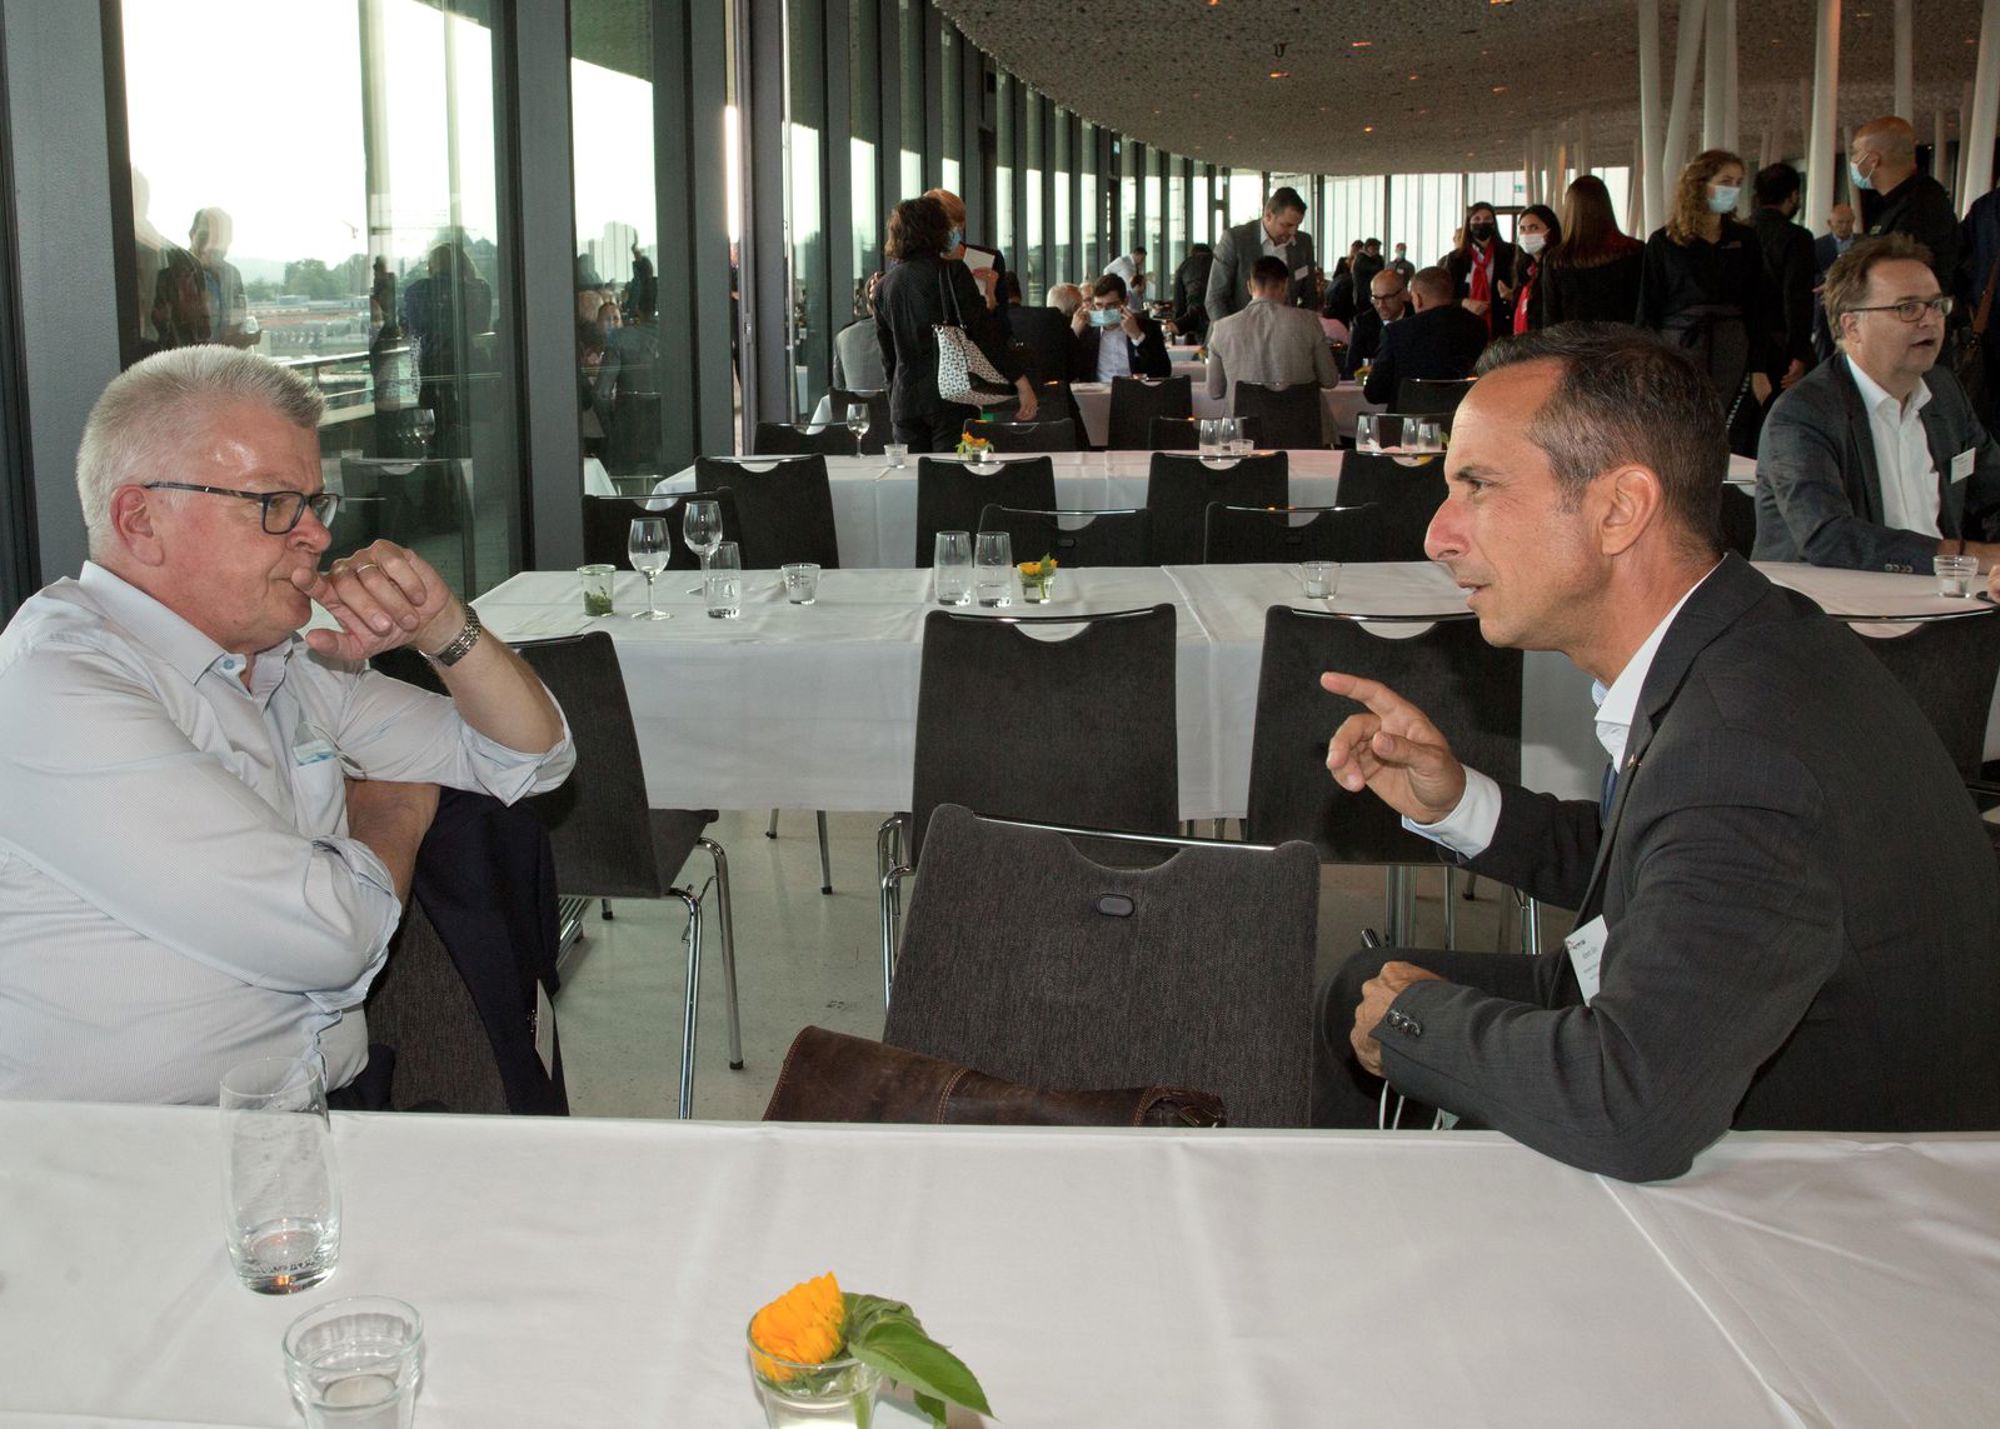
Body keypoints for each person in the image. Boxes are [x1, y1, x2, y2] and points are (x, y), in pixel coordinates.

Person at [1313, 323, 2000, 1181]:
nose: (1438, 535)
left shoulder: (1742, 749)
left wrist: (1418, 1024)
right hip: (1752, 1060)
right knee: (1360, 984)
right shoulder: (1743, 635)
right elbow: (1663, 852)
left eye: (1478, 486)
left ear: (1619, 510)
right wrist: (1457, 803)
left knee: (1382, 1001)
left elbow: (1632, 1105)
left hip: (1833, 1178)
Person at [0, 347, 575, 1105]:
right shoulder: (57, 685)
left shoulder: (285, 659)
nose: (316, 536)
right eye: (274, 504)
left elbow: (534, 757)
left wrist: (442, 628)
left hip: (313, 1113)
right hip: (137, 1154)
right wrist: (392, 810)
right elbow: (329, 938)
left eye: (314, 503)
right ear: (140, 520)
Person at [1755, 235, 2000, 571]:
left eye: (1936, 305)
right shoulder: (1802, 413)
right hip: (1830, 599)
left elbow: (1993, 489)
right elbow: (1830, 538)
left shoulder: (1945, 393)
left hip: (1938, 595)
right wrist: (1965, 558)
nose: (1930, 320)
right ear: (1852, 326)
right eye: (1907, 308)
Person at [875, 197, 1036, 452]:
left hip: (905, 402)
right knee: (950, 471)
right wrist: (1020, 381)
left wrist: (895, 399)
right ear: (937, 229)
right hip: (951, 396)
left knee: (912, 474)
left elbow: (888, 356)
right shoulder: (952, 272)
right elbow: (983, 333)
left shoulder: (884, 286)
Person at [1636, 149, 1776, 442]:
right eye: (1725, 181)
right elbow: (1649, 307)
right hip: (1680, 344)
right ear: (1700, 184)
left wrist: (1759, 367)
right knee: (1680, 425)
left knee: (1727, 426)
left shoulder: (1745, 239)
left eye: (1738, 183)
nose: (1732, 189)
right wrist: (1644, 363)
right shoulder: (1664, 241)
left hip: (1732, 346)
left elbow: (1759, 305)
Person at [1203, 255, 1339, 409]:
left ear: (1249, 286)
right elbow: (1330, 380)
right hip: (1302, 421)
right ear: (1285, 286)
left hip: (1245, 422)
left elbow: (1214, 391)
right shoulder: (1309, 322)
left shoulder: (1222, 328)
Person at [1851, 116, 1959, 295]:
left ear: (1873, 160)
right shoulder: (1891, 203)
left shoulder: (1922, 205)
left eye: (1855, 153)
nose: (1853, 161)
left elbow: (1899, 271)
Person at [1361, 267, 1488, 407]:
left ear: (1418, 298)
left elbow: (1374, 392)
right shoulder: (1478, 326)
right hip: (1464, 414)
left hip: (1409, 417)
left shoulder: (1396, 332)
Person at [1748, 163, 1818, 396]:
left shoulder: (1738, 231)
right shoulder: (1796, 238)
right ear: (1793, 196)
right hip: (1778, 345)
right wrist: (1800, 352)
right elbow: (1796, 297)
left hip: (1738, 342)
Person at [1542, 175, 1645, 327]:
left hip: (1572, 340)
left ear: (1570, 210)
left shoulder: (1556, 260)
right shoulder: (1634, 251)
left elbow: (1551, 318)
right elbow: (1645, 308)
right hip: (1624, 339)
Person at [1206, 186, 1316, 322]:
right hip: (1240, 328)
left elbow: (1310, 296)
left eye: (1297, 226)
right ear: (1268, 215)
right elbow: (1215, 298)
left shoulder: (1303, 243)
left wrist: (1298, 326)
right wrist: (1233, 330)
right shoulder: (1235, 239)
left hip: (1285, 330)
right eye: (1287, 225)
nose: (1293, 232)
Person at [1069, 272, 1171, 382]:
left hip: (1133, 389)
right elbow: (1067, 372)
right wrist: (1073, 335)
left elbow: (1164, 371)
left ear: (1125, 301)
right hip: (1096, 390)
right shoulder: (1085, 331)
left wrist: (1138, 337)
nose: (1104, 311)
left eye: (1111, 305)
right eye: (1099, 305)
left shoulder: (1147, 327)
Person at [1445, 201, 1518, 338]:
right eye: (1477, 219)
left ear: (1494, 223)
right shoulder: (1456, 258)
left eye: (1487, 219)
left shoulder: (1510, 252)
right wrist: (1464, 302)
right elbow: (1446, 294)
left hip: (1501, 324)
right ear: (1469, 224)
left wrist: (1511, 294)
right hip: (1464, 323)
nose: (1482, 223)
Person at [1502, 204, 1561, 334]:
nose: (1527, 234)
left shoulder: (1557, 267)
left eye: (1534, 227)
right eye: (1522, 229)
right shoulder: (1528, 269)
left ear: (1550, 231)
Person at [1342, 267, 1408, 378]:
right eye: (1375, 298)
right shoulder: (1363, 323)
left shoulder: (1416, 319)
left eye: (1387, 297)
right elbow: (1351, 368)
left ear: (1403, 294)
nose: (1381, 305)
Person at [832, 271, 888, 393]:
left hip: (854, 405)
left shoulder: (842, 337)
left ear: (868, 307)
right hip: (893, 404)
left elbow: (839, 390)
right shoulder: (901, 334)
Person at [1166, 243, 1215, 344]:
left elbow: (1179, 305)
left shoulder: (1184, 267)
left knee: (1200, 350)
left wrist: (1179, 323)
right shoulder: (1218, 263)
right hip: (1219, 318)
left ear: (1192, 254)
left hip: (1195, 320)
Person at [1815, 202, 1858, 279]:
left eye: (1848, 222)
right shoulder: (1818, 245)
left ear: (1853, 221)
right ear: (1829, 223)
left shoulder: (1865, 242)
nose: (1844, 226)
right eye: (1840, 222)